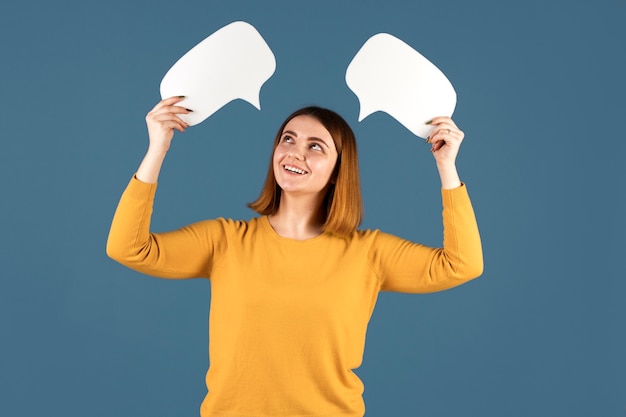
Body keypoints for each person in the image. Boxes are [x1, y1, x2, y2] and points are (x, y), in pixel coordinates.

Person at [107, 96, 483, 417]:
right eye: (288, 139)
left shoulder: (368, 253)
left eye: (315, 146)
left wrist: (446, 166)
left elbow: (462, 264)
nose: (294, 152)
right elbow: (128, 248)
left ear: (338, 171)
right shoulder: (225, 241)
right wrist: (157, 148)